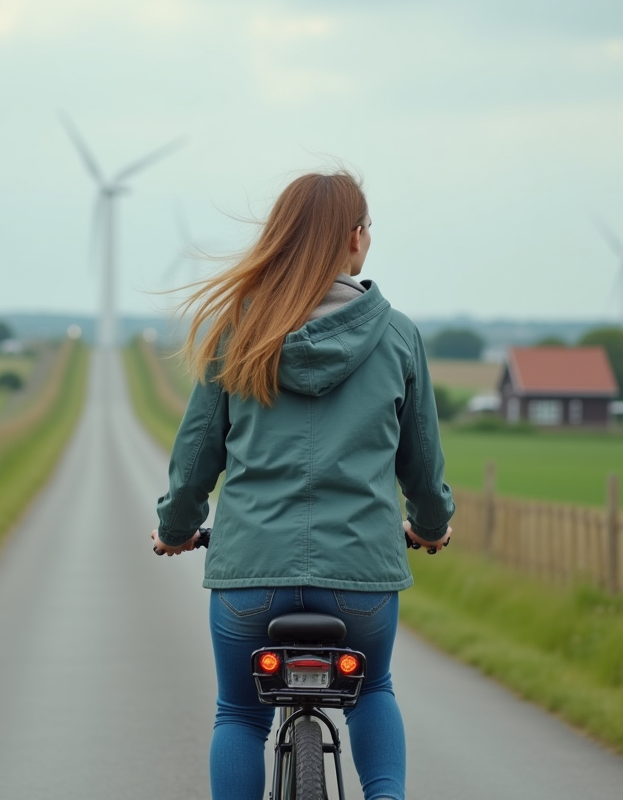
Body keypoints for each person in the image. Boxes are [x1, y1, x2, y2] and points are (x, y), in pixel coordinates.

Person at [151, 171, 454, 800]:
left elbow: (196, 457)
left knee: (238, 713)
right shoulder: (398, 335)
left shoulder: (240, 332)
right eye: (368, 228)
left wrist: (176, 531)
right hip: (360, 581)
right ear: (353, 239)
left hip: (250, 578)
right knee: (373, 691)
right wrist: (429, 526)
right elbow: (422, 465)